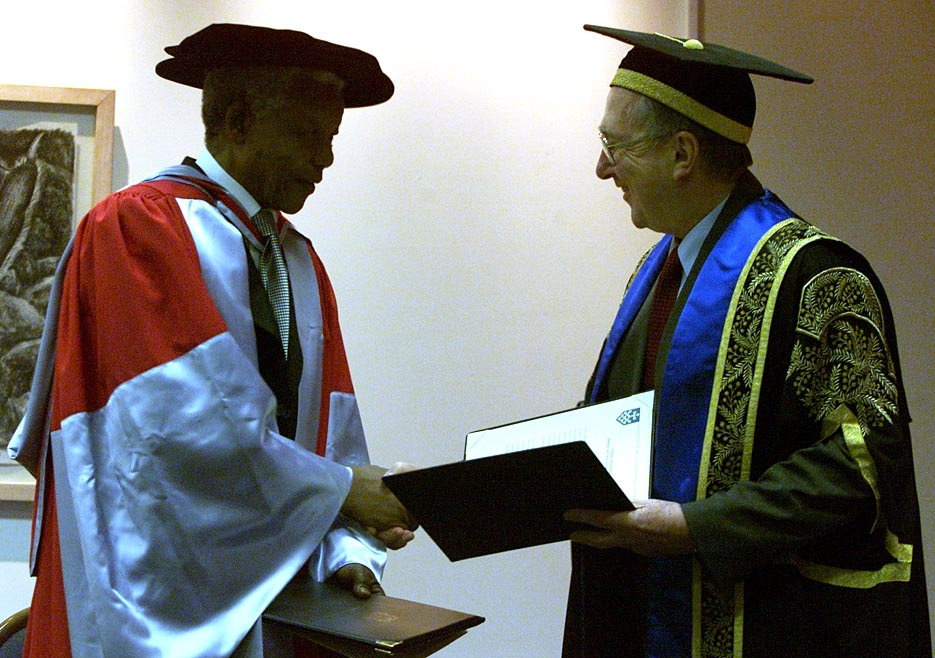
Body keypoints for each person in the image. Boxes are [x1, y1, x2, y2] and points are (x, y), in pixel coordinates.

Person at [7, 23, 419, 658]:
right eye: (308, 134)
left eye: (332, 138)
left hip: (279, 607)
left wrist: (345, 548)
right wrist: (344, 490)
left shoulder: (298, 261)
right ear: (239, 120)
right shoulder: (135, 229)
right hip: (154, 608)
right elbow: (176, 440)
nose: (327, 159)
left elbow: (330, 436)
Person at [560, 25, 931, 658]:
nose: (602, 168)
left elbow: (861, 465)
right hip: (633, 614)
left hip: (760, 625)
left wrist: (697, 527)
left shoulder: (819, 278)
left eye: (614, 145)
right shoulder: (657, 272)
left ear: (682, 154)